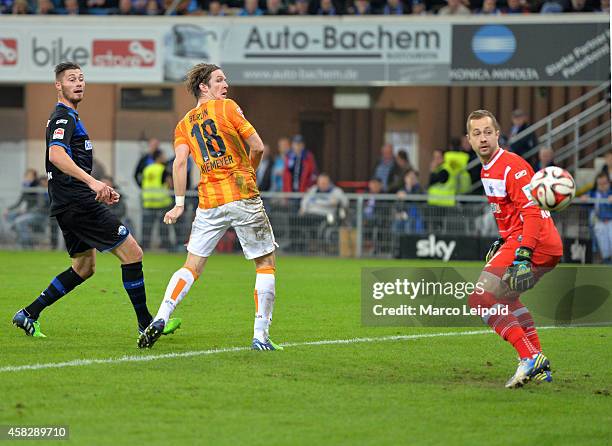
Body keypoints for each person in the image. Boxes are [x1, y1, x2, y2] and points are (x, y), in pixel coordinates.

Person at [11, 62, 180, 339]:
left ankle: (28, 313)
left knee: (84, 268)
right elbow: (56, 155)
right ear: (58, 85)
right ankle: (146, 323)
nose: (78, 83)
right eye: (71, 79)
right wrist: (92, 183)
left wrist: (98, 187)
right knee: (133, 253)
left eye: (81, 78)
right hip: (77, 204)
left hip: (71, 203)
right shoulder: (63, 117)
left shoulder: (71, 117)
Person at [138, 63, 281, 351]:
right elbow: (258, 146)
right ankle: (260, 336)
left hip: (209, 201)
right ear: (203, 86)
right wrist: (249, 174)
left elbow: (179, 162)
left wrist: (178, 204)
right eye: (218, 80)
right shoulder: (227, 108)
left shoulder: (184, 124)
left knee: (191, 266)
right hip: (242, 195)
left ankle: (162, 316)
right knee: (265, 264)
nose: (225, 84)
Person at [465, 109, 563, 388]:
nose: (483, 138)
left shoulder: (512, 165)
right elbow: (512, 211)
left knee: (480, 299)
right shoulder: (487, 168)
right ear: (469, 140)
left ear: (498, 134)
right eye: (476, 133)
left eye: (487, 132)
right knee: (506, 299)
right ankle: (539, 365)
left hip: (534, 240)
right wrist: (503, 240)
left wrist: (522, 254)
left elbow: (532, 213)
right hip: (531, 240)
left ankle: (529, 358)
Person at [141, 149, 173, 251]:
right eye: (163, 155)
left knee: (147, 227)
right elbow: (170, 184)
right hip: (161, 202)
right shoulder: (163, 169)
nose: (165, 158)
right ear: (158, 157)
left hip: (148, 202)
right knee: (163, 228)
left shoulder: (147, 169)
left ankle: (144, 246)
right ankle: (166, 246)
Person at [583, 172, 612, 263]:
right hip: (599, 222)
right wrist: (584, 199)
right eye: (600, 184)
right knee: (604, 249)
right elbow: (585, 200)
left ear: (609, 183)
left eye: (605, 183)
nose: (602, 186)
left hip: (611, 222)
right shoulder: (593, 193)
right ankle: (607, 264)